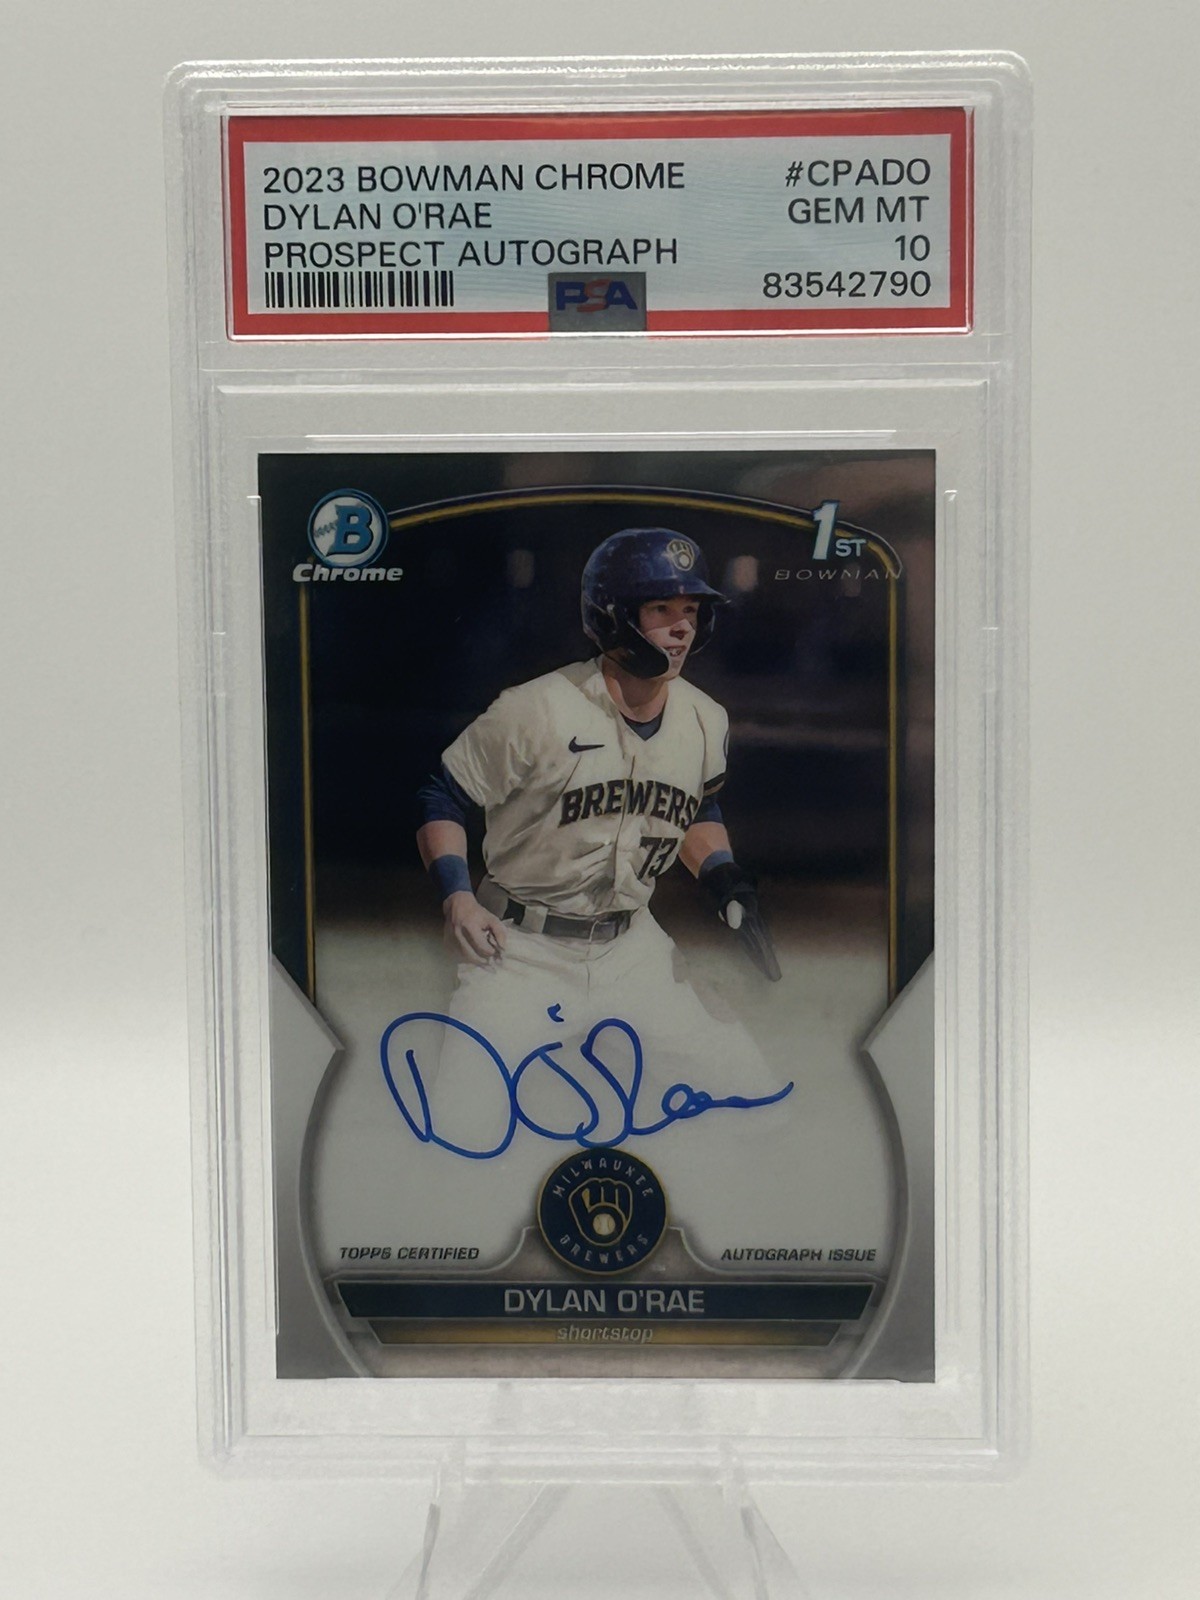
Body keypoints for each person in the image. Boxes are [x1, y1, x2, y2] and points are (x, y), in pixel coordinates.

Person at [409, 527, 783, 1159]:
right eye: (661, 608)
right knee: (457, 1140)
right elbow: (442, 795)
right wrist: (457, 897)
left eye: (692, 610)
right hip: (518, 951)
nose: (682, 628)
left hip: (633, 952)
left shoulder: (704, 719)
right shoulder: (536, 709)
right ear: (614, 614)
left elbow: (698, 805)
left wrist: (722, 875)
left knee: (757, 1106)